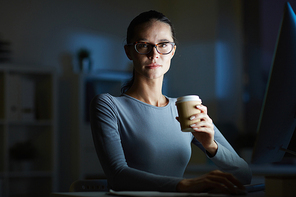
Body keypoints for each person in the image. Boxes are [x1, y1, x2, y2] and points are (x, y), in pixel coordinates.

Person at [90, 10, 252, 194]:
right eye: (143, 45)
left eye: (163, 44)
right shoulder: (108, 105)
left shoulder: (185, 109)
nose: (154, 54)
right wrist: (183, 185)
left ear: (172, 51)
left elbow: (244, 175)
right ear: (129, 51)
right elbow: (117, 176)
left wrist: (211, 146)